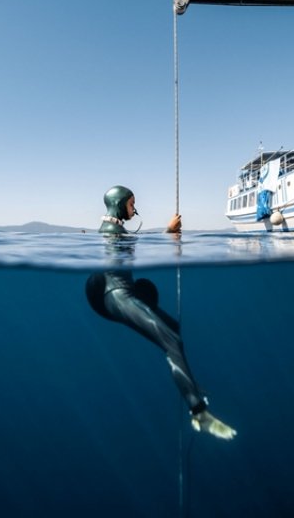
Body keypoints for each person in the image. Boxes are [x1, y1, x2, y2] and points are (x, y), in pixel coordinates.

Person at [88, 185, 234, 439]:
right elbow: (145, 249)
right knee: (172, 341)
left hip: (123, 293)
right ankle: (199, 413)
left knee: (173, 328)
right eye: (131, 204)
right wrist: (168, 234)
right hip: (116, 296)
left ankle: (187, 381)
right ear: (119, 204)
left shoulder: (117, 230)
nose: (135, 209)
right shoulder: (112, 232)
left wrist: (168, 234)